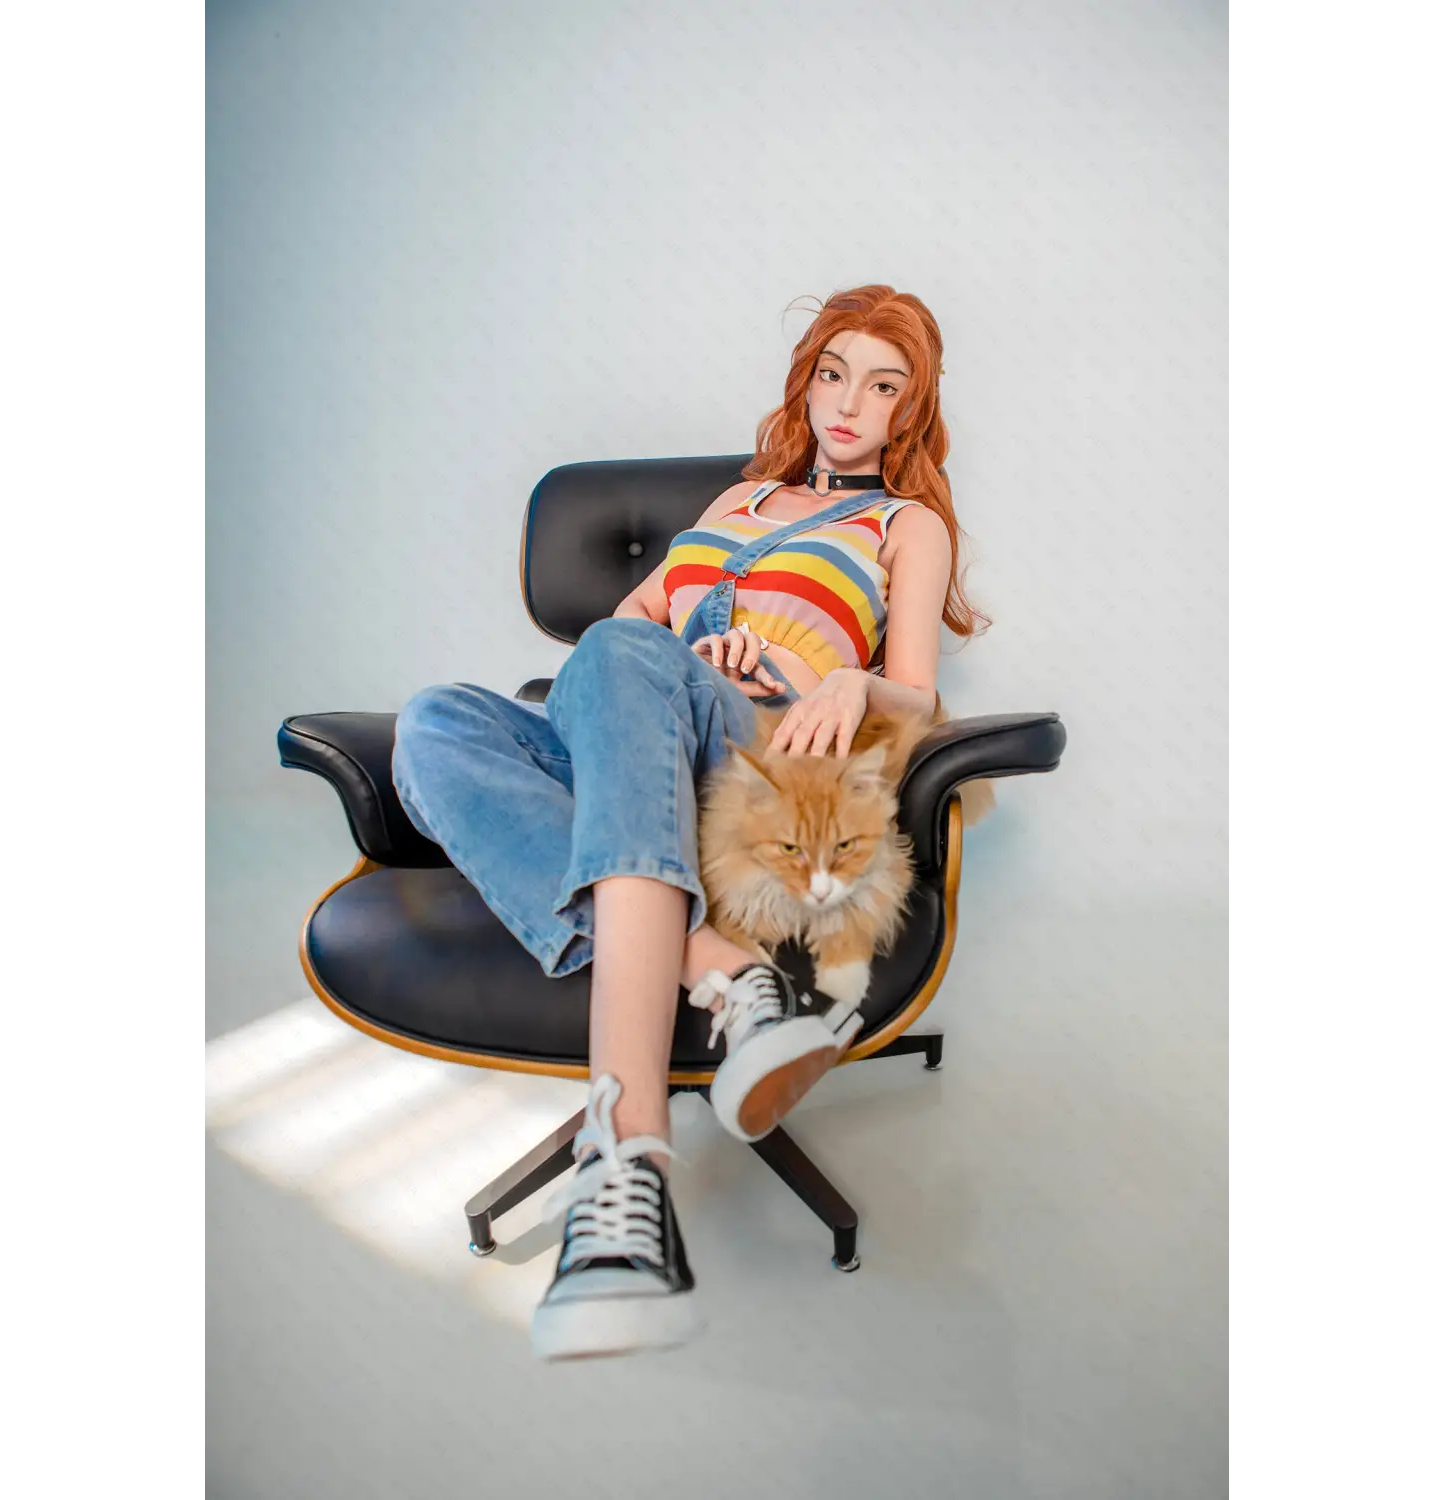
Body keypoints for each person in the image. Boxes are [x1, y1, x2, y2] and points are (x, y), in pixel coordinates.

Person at [391, 284, 985, 1361]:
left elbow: (920, 701)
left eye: (883, 386)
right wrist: (674, 655)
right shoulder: (737, 502)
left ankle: (626, 1173)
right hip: (635, 727)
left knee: (628, 656)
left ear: (912, 409)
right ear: (807, 382)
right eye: (833, 373)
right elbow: (620, 636)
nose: (849, 402)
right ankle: (722, 975)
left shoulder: (906, 525)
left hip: (758, 761)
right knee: (435, 722)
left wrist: (844, 679)